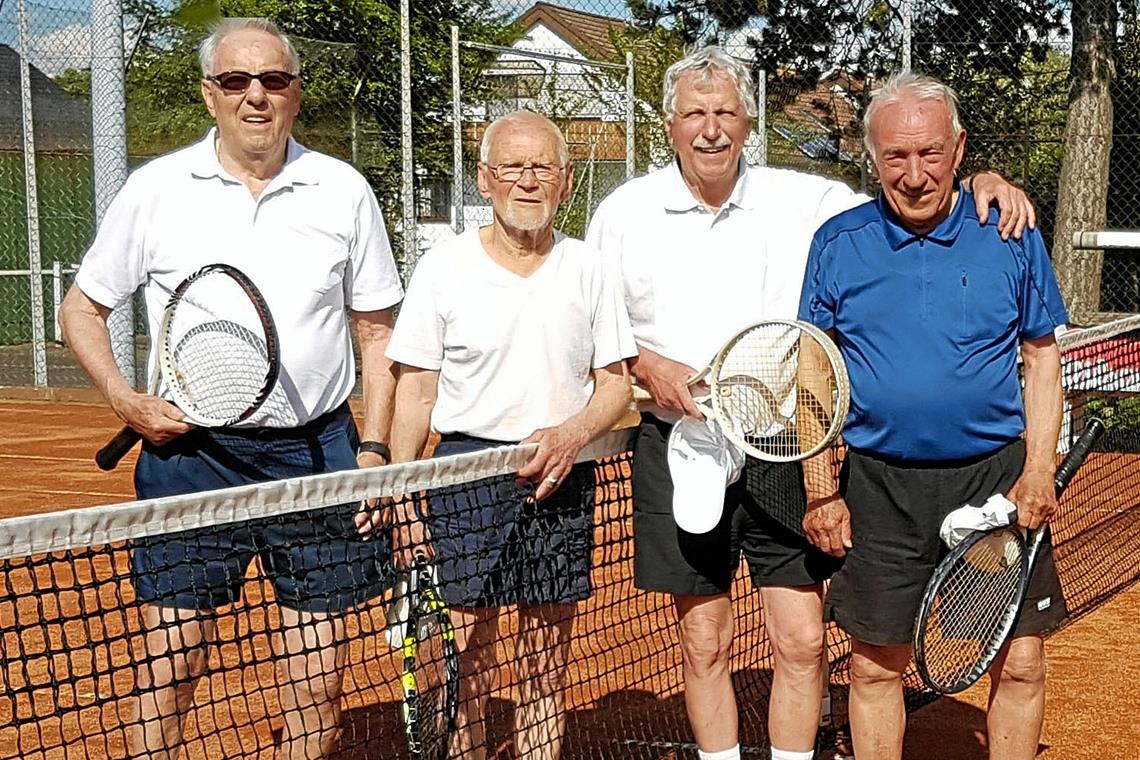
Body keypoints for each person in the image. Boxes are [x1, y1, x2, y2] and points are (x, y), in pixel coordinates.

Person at [585, 46, 1036, 760]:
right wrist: (647, 364)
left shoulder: (804, 199)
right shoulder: (621, 214)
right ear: (668, 124)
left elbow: (911, 189)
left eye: (726, 113)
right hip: (680, 443)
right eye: (695, 114)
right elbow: (599, 328)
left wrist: (982, 178)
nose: (711, 129)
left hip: (783, 448)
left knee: (800, 641)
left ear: (749, 123)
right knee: (704, 640)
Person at [58, 18, 402, 760]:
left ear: (295, 94)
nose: (256, 97)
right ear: (209, 93)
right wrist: (122, 396)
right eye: (236, 81)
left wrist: (373, 448)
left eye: (273, 80)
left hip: (317, 457)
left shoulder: (342, 190)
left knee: (317, 679)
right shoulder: (155, 190)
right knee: (171, 662)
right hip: (191, 459)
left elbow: (377, 336)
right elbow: (81, 308)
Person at [797, 71, 1068, 760]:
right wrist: (822, 492)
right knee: (872, 666)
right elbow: (811, 374)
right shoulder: (837, 242)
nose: (914, 174)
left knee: (1023, 661)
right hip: (879, 487)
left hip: (996, 482)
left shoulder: (1009, 232)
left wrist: (1040, 470)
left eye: (930, 154)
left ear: (958, 149)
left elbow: (1041, 359)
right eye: (895, 156)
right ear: (871, 156)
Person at [356, 110, 634, 759]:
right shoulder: (443, 267)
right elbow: (415, 393)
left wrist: (573, 433)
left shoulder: (589, 268)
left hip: (562, 473)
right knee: (466, 667)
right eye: (512, 166)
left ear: (566, 182)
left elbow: (616, 384)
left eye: (542, 168)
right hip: (463, 478)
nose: (528, 181)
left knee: (544, 664)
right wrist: (404, 494)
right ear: (485, 178)